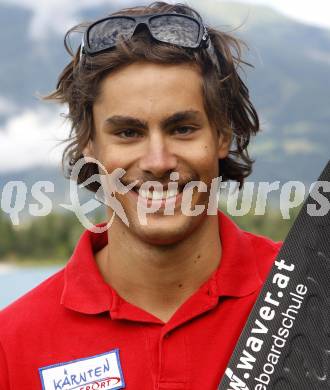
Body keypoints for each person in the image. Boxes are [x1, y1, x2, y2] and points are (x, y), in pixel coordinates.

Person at [0, 2, 282, 389]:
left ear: (222, 136)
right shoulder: (12, 343)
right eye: (128, 133)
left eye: (182, 128)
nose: (158, 161)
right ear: (91, 147)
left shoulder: (307, 291)